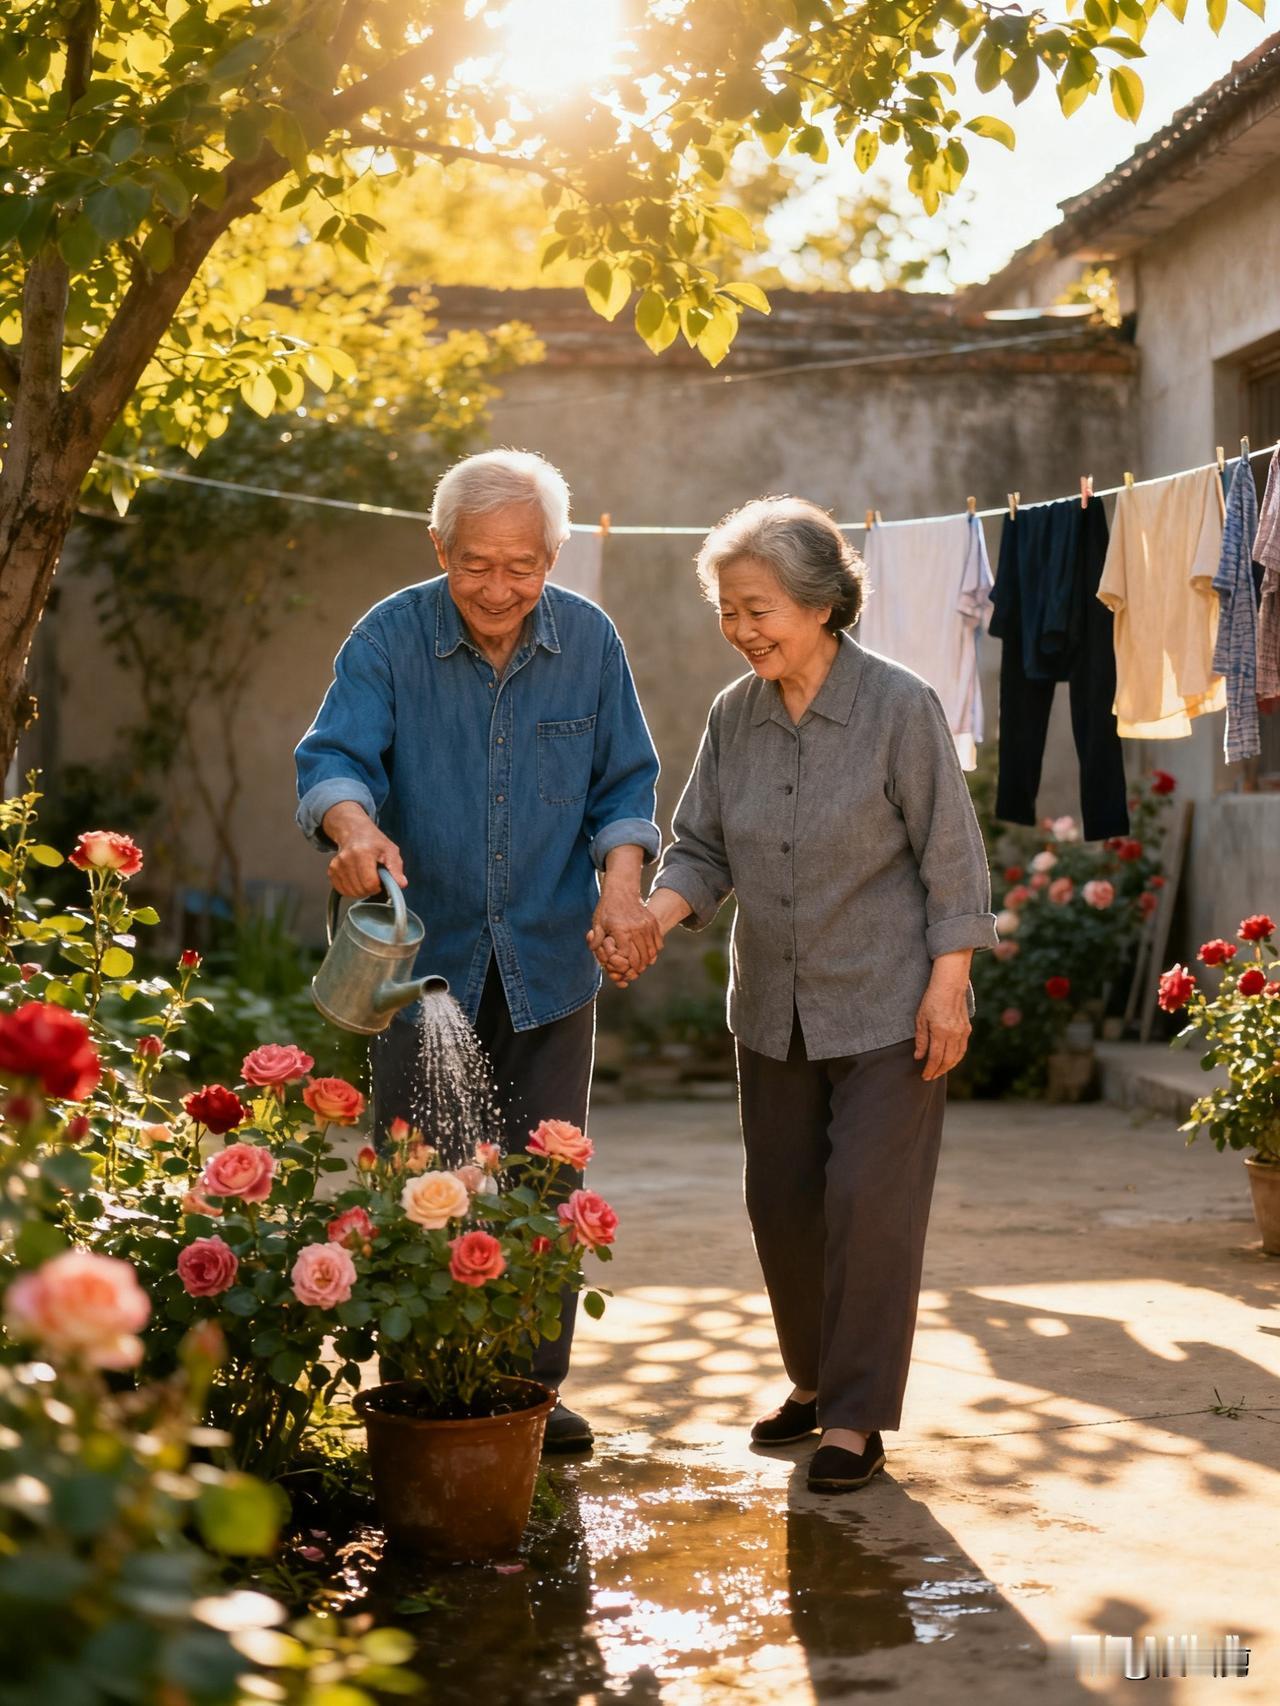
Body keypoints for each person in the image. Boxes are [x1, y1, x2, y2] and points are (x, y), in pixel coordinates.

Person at [591, 496, 995, 1492]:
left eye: (758, 607)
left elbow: (953, 858)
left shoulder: (898, 706)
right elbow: (699, 847)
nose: (740, 629)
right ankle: (815, 1380)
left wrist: (951, 985)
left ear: (820, 603)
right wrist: (650, 916)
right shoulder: (735, 715)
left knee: (867, 1201)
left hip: (886, 1002)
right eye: (727, 610)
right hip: (769, 1002)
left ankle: (856, 1417)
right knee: (780, 1202)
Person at [296, 448, 662, 1452]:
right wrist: (352, 831)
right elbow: (331, 759)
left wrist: (623, 886)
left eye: (521, 566)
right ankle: (422, 1391)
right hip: (424, 962)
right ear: (438, 548)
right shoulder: (390, 635)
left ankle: (529, 1393)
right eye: (474, 564)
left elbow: (623, 788)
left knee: (544, 1177)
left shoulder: (587, 640)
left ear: (551, 556)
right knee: (427, 1174)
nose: (497, 589)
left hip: (549, 954)